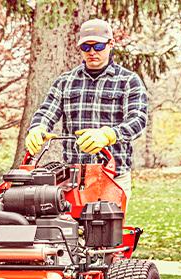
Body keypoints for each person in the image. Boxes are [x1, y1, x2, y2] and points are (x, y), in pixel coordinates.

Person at [25, 18, 147, 204]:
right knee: (67, 231)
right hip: (71, 178)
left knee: (107, 232)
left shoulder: (129, 81)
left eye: (98, 46)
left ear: (110, 44)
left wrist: (109, 135)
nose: (92, 52)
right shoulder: (65, 81)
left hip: (113, 177)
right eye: (86, 47)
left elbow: (138, 120)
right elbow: (46, 112)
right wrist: (36, 128)